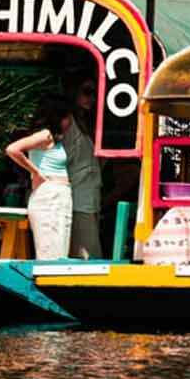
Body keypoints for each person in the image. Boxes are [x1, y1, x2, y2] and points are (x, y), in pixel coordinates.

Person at [5, 94, 74, 260]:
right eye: (67, 117)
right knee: (51, 252)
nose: (70, 122)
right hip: (50, 197)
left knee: (58, 250)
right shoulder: (45, 135)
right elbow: (13, 149)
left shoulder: (55, 139)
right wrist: (35, 172)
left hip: (58, 197)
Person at [63, 74, 103, 259]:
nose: (92, 99)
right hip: (77, 198)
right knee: (87, 255)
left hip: (90, 197)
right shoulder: (68, 122)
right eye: (87, 92)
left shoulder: (84, 123)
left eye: (94, 93)